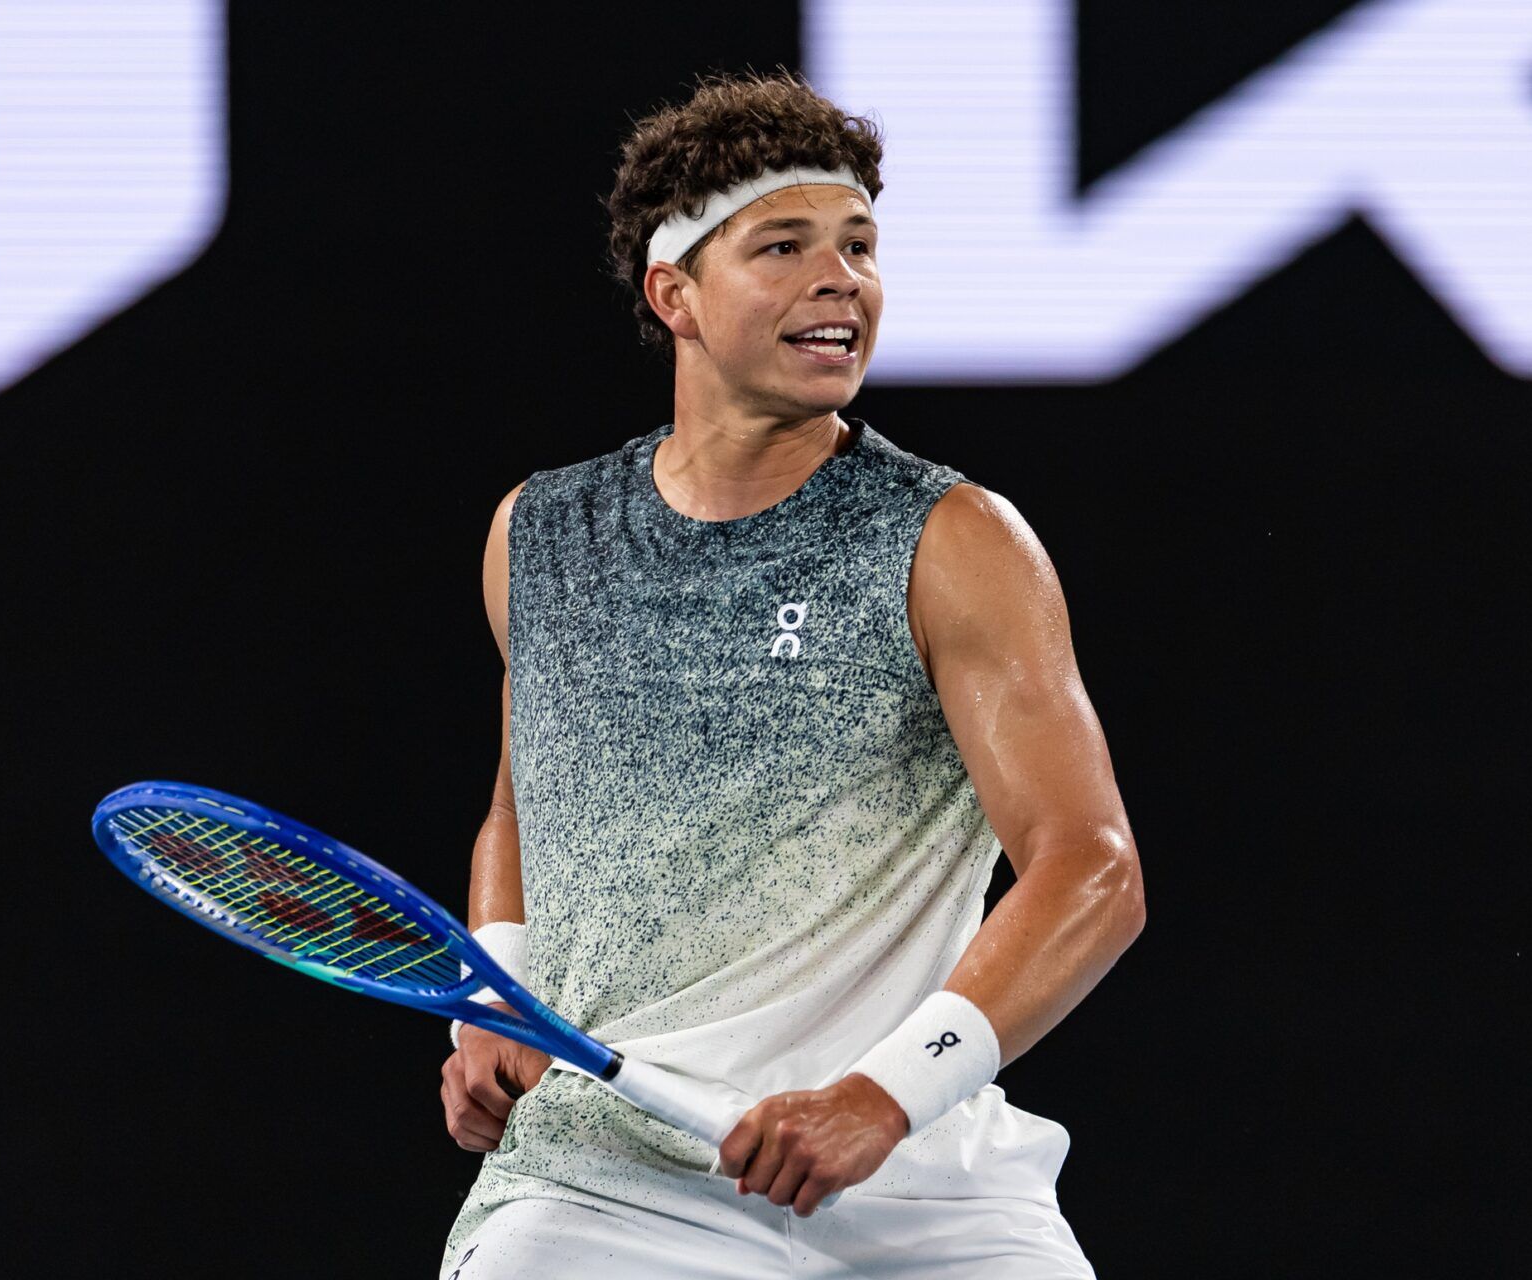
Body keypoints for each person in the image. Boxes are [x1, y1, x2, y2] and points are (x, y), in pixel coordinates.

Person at [437, 67, 1145, 1278]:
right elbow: (524, 805)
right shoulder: (541, 536)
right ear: (676, 293)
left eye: (859, 245)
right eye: (785, 246)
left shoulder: (955, 540)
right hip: (610, 1188)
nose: (841, 279)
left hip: (922, 1187)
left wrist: (883, 1094)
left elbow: (1093, 866)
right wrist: (496, 990)